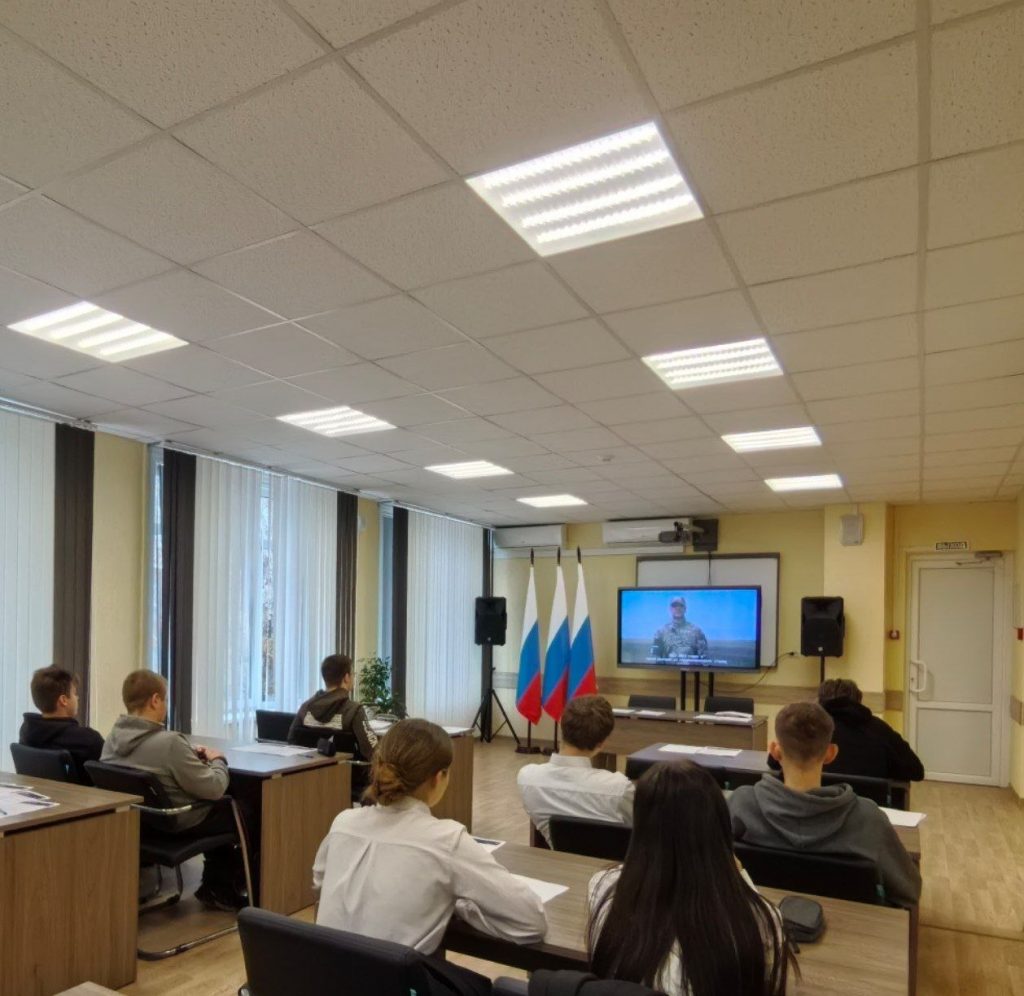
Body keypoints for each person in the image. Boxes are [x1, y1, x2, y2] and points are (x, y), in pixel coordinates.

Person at [313, 719, 546, 959]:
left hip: (327, 973)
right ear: (438, 778)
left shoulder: (343, 823)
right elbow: (532, 921)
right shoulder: (446, 841)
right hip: (395, 978)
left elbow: (320, 888)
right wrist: (459, 904)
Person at [587, 761, 793, 996]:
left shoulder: (604, 887)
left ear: (641, 825)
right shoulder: (760, 918)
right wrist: (738, 873)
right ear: (718, 823)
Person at [729, 702, 921, 909]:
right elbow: (909, 892)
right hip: (849, 924)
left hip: (760, 917)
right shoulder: (868, 818)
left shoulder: (741, 804)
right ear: (831, 754)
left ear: (775, 751)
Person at [102, 670, 248, 911]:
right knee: (242, 808)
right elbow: (214, 787)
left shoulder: (111, 740)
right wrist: (218, 760)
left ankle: (220, 883)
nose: (166, 705)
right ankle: (225, 886)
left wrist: (188, 760)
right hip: (178, 822)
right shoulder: (169, 743)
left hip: (142, 823)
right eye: (166, 699)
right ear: (155, 700)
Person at [517, 695, 634, 845]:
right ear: (601, 744)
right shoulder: (620, 788)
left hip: (557, 858)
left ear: (561, 726)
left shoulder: (527, 778)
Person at [817, 679, 924, 781]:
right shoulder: (879, 729)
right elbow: (916, 771)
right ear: (859, 700)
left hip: (818, 794)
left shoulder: (811, 730)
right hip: (871, 794)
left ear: (820, 701)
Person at [19, 666, 104, 784]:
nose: (77, 698)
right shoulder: (89, 740)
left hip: (37, 794)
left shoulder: (26, 731)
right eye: (74, 693)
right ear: (63, 700)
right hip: (77, 796)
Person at [288, 653, 378, 761]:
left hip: (309, 769)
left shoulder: (305, 707)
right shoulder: (354, 710)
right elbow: (372, 750)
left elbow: (291, 740)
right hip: (346, 770)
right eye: (353, 674)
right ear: (346, 678)